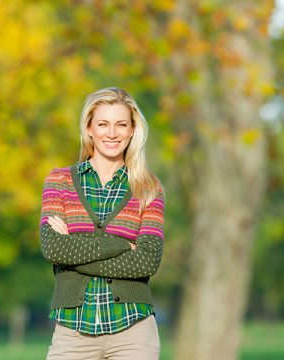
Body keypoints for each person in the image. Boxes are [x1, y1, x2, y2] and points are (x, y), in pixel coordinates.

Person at [40, 87, 165, 360]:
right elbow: (53, 248)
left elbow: (147, 261)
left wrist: (75, 251)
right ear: (89, 128)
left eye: (121, 124)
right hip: (73, 330)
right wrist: (121, 244)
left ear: (133, 130)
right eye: (103, 124)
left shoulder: (149, 188)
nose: (112, 133)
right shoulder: (59, 181)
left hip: (133, 331)